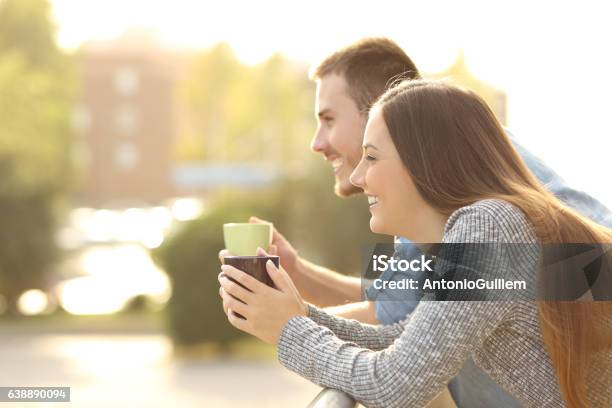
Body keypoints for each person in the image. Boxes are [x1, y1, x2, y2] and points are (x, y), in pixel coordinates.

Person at [219, 38, 612, 407]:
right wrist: (296, 310)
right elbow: (404, 332)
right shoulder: (467, 223)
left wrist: (288, 327)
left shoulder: (486, 226)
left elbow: (396, 381)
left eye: (371, 157)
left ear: (419, 157)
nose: (357, 175)